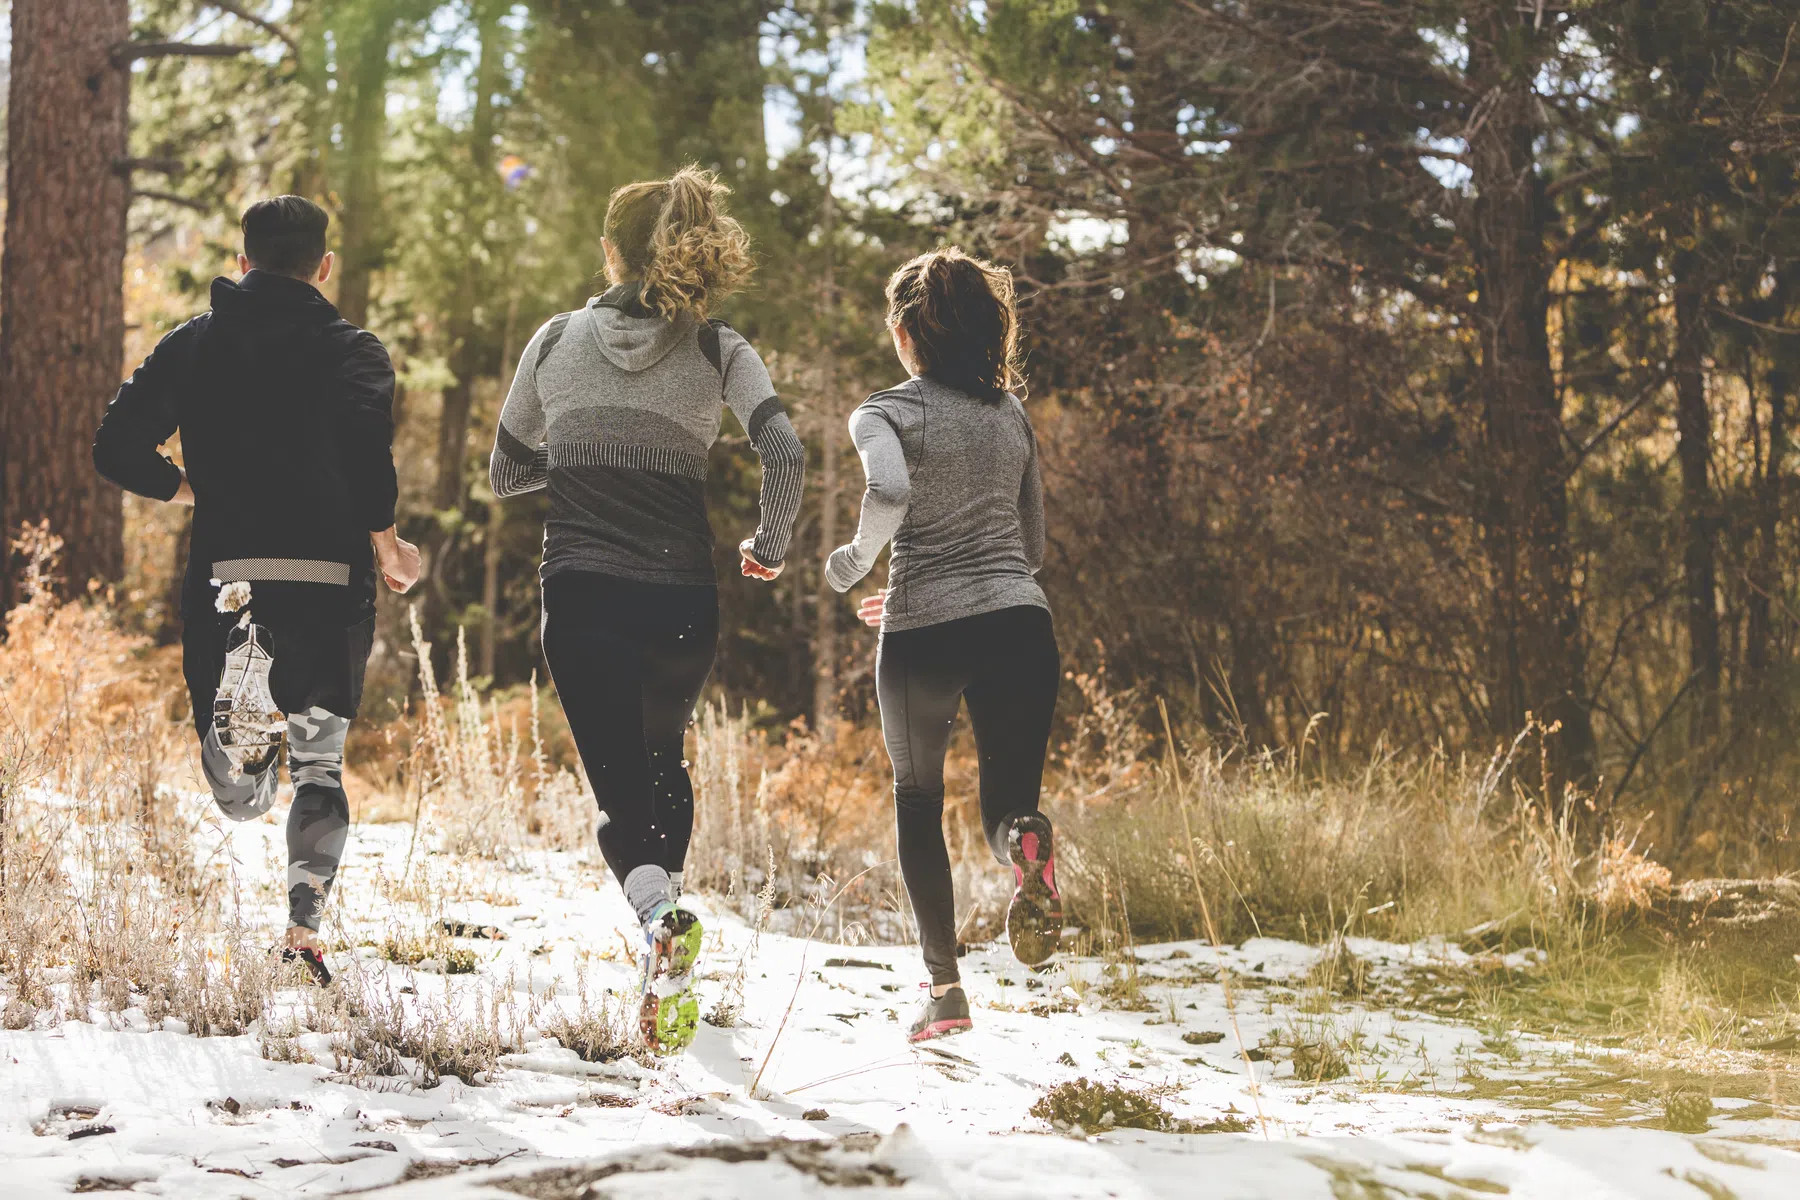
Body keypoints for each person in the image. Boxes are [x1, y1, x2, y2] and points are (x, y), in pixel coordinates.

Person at [489, 166, 804, 1053]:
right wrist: (769, 546)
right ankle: (665, 945)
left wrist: (585, 463)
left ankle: (662, 925)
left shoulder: (554, 341)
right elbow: (784, 452)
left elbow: (506, 471)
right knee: (662, 757)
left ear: (611, 251)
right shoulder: (718, 348)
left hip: (582, 591)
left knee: (618, 802)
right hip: (683, 598)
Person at [93, 196, 420, 985]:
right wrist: (388, 544)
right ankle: (303, 931)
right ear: (324, 267)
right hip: (330, 581)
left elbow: (116, 447)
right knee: (321, 763)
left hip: (229, 579)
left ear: (243, 261)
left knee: (239, 796)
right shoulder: (356, 351)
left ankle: (244, 743)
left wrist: (189, 490)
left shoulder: (195, 344)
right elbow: (369, 461)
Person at [827, 247, 1063, 1043]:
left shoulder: (884, 411)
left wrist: (857, 563)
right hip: (1020, 623)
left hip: (926, 631)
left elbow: (889, 492)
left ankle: (945, 992)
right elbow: (1027, 546)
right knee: (1007, 804)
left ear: (903, 331)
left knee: (919, 800)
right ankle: (1026, 847)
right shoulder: (1011, 416)